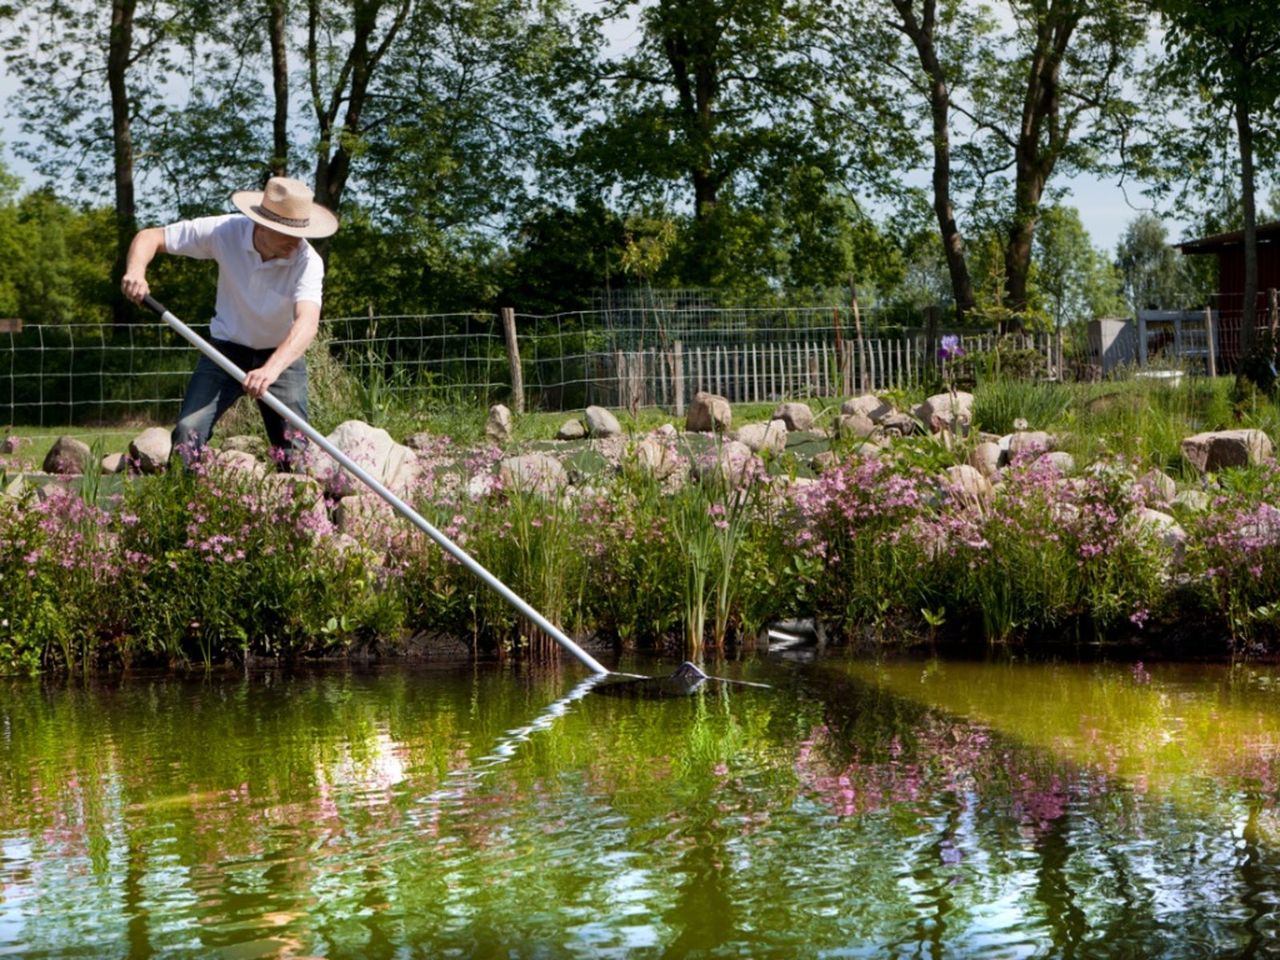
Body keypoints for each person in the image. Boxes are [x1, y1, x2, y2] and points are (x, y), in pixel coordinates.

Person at [120, 176, 339, 468]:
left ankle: (298, 512)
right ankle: (185, 506)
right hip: (224, 352)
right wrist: (136, 271)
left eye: (301, 232)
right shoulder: (225, 231)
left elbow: (307, 323)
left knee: (294, 450)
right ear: (263, 225)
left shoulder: (307, 261)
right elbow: (151, 236)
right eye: (288, 233)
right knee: (188, 431)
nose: (297, 241)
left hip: (279, 355)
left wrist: (270, 370)